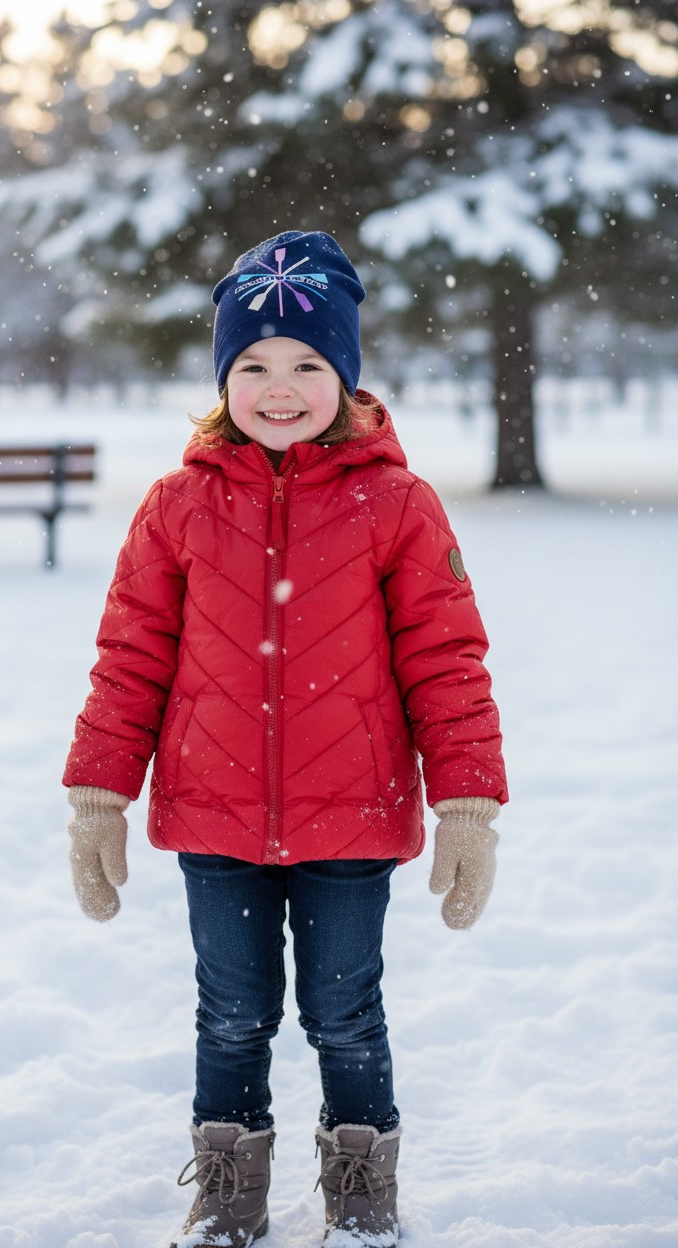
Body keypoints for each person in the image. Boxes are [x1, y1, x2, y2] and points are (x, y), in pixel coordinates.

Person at [63, 230, 507, 1247]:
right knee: (229, 1013)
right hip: (214, 819)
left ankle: (359, 1187)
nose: (279, 386)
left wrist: (467, 806)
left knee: (346, 1016)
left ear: (346, 379)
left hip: (351, 820)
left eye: (309, 364)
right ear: (223, 379)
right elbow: (129, 654)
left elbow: (447, 661)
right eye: (253, 364)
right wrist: (98, 796)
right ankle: (230, 1188)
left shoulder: (395, 505)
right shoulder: (176, 508)